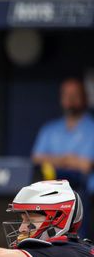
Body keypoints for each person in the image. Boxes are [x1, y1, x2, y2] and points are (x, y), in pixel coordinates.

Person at [31, 77, 94, 234]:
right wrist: (67, 159)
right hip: (52, 196)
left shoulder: (91, 128)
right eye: (67, 95)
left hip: (86, 198)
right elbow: (36, 159)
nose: (71, 99)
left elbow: (85, 166)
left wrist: (53, 160)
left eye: (75, 94)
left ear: (85, 98)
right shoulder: (50, 129)